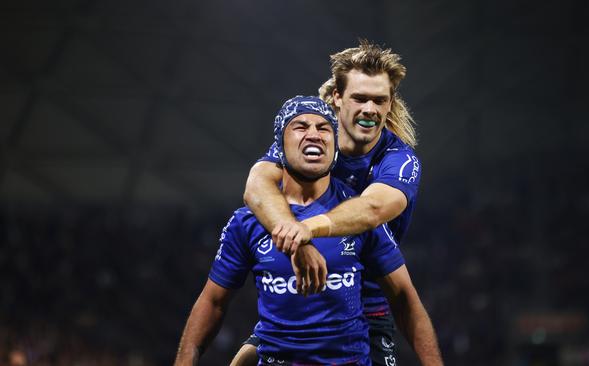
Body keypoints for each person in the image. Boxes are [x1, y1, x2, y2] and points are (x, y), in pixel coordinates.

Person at [174, 96, 440, 365]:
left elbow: (406, 300)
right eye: (300, 127)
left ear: (335, 146)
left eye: (324, 128)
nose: (313, 134)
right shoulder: (247, 223)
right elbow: (213, 302)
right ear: (279, 145)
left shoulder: (357, 217)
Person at [237, 41, 441, 365]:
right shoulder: (312, 140)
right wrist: (297, 240)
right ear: (337, 98)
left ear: (390, 105)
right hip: (301, 295)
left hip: (366, 307)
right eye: (360, 98)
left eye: (380, 100)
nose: (370, 110)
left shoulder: (400, 160)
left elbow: (372, 209)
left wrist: (305, 231)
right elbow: (256, 184)